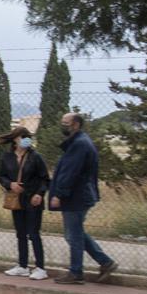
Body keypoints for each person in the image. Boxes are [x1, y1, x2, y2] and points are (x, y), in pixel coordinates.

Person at [48, 111, 116, 284]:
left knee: (74, 236)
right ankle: (105, 262)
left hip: (75, 197)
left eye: (65, 122)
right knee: (75, 234)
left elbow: (70, 172)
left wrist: (58, 194)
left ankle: (76, 272)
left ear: (76, 124)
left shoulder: (79, 144)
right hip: (80, 195)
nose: (62, 125)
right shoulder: (80, 142)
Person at [0, 126, 50, 280]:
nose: (26, 139)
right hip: (17, 200)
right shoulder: (7, 157)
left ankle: (40, 268)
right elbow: (1, 176)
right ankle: (22, 266)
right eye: (22, 136)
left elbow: (45, 179)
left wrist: (39, 194)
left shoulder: (36, 157)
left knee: (34, 234)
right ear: (15, 139)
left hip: (33, 200)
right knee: (20, 233)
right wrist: (10, 185)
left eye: (27, 136)